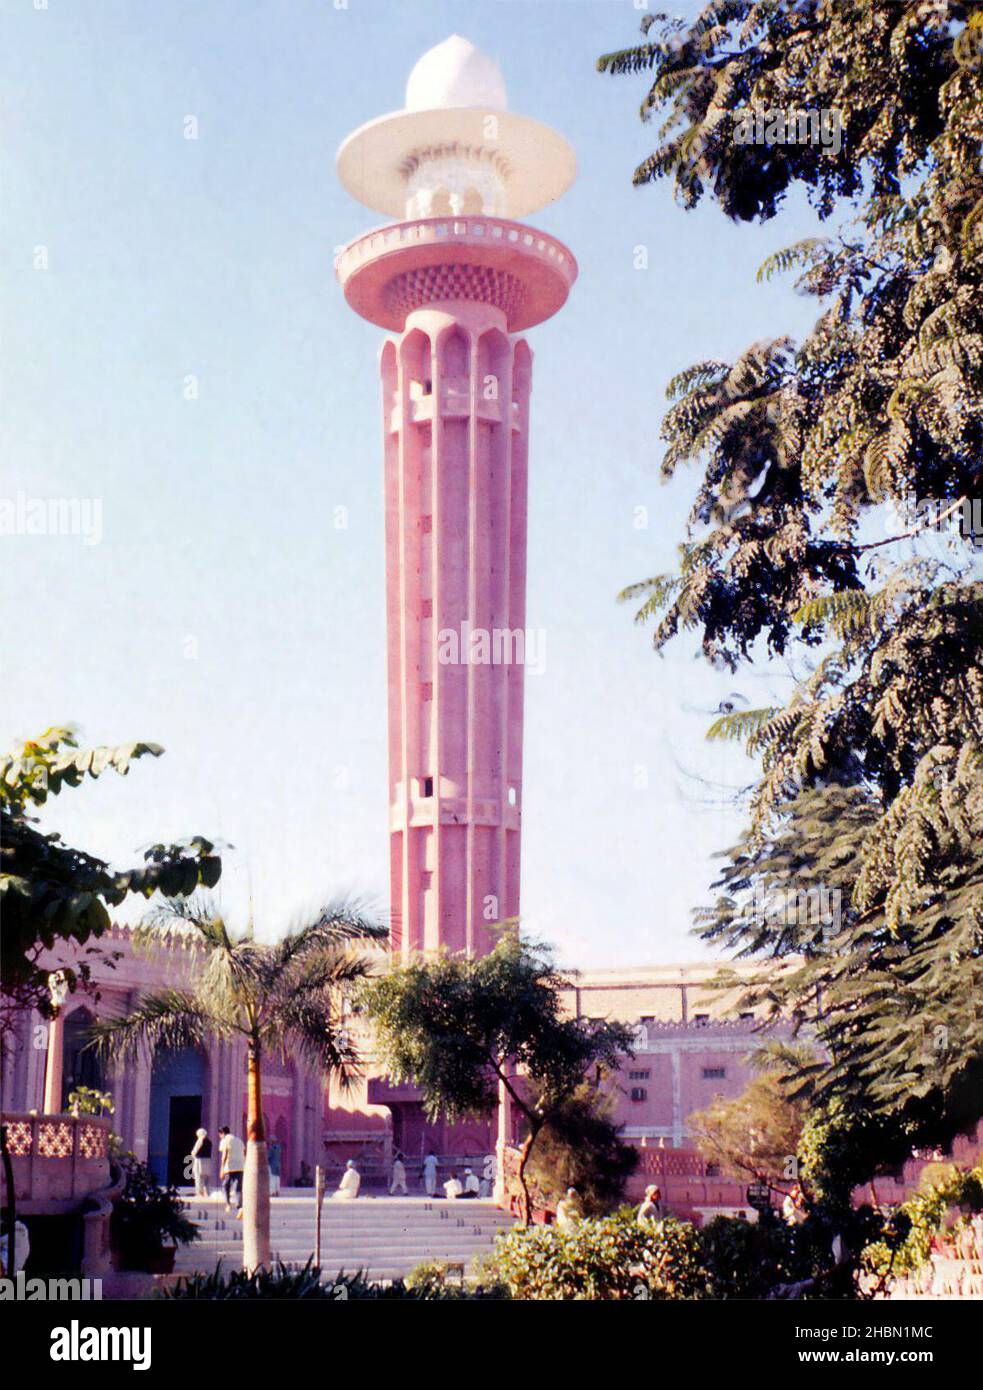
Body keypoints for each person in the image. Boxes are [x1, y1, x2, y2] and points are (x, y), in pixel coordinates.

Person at [218, 1125, 245, 1216]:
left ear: (222, 1133)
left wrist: (222, 1168)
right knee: (238, 1187)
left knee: (226, 1186)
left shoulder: (225, 1140)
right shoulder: (239, 1140)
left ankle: (228, 1204)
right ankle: (239, 1206)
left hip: (229, 1166)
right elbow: (244, 1153)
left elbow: (224, 1155)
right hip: (240, 1166)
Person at [190, 1127, 212, 1198]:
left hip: (199, 1160)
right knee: (206, 1177)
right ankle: (207, 1193)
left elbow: (195, 1150)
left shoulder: (200, 1140)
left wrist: (192, 1154)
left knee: (198, 1177)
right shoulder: (209, 1141)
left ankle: (199, 1193)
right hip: (208, 1161)